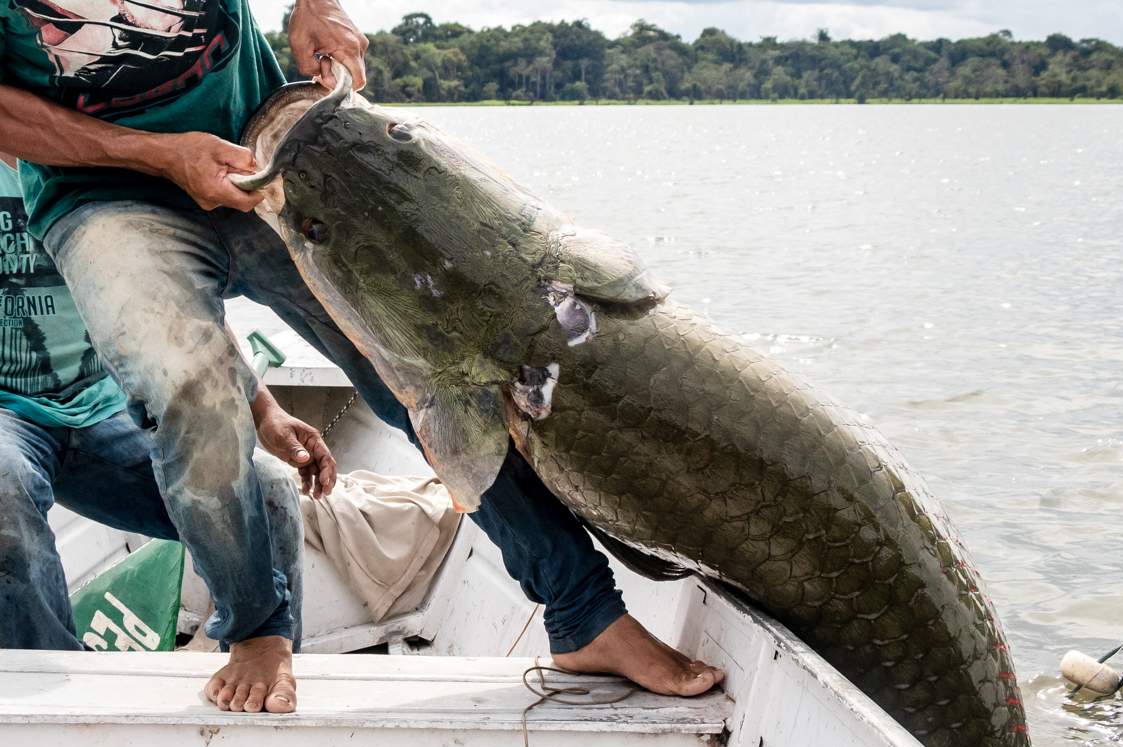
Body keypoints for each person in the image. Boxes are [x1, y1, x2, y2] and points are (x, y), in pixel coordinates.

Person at [0, 0, 723, 710]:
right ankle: (256, 630)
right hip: (101, 193)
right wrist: (158, 152)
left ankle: (586, 615)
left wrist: (316, 4)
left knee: (425, 375)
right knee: (189, 387)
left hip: (262, 147)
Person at [0, 148, 333, 710]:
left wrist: (266, 411)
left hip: (110, 407)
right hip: (10, 418)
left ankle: (265, 668)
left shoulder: (96, 164)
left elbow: (178, 306)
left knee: (269, 488)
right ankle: (48, 695)